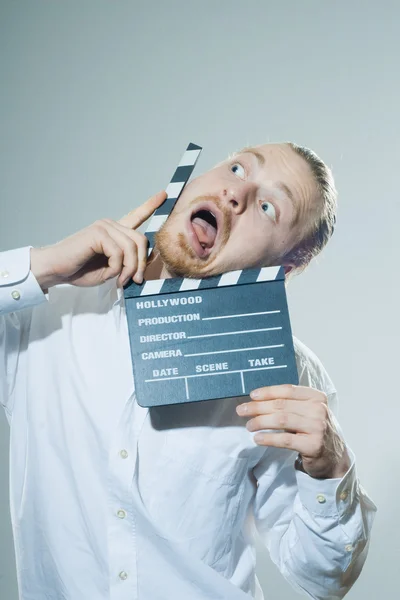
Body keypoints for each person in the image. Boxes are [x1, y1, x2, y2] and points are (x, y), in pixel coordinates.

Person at [0, 142, 376, 600]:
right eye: (237, 167)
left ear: (287, 265)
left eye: (268, 207)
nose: (237, 193)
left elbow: (323, 578)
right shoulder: (45, 310)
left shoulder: (284, 374)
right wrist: (40, 267)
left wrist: (330, 468)